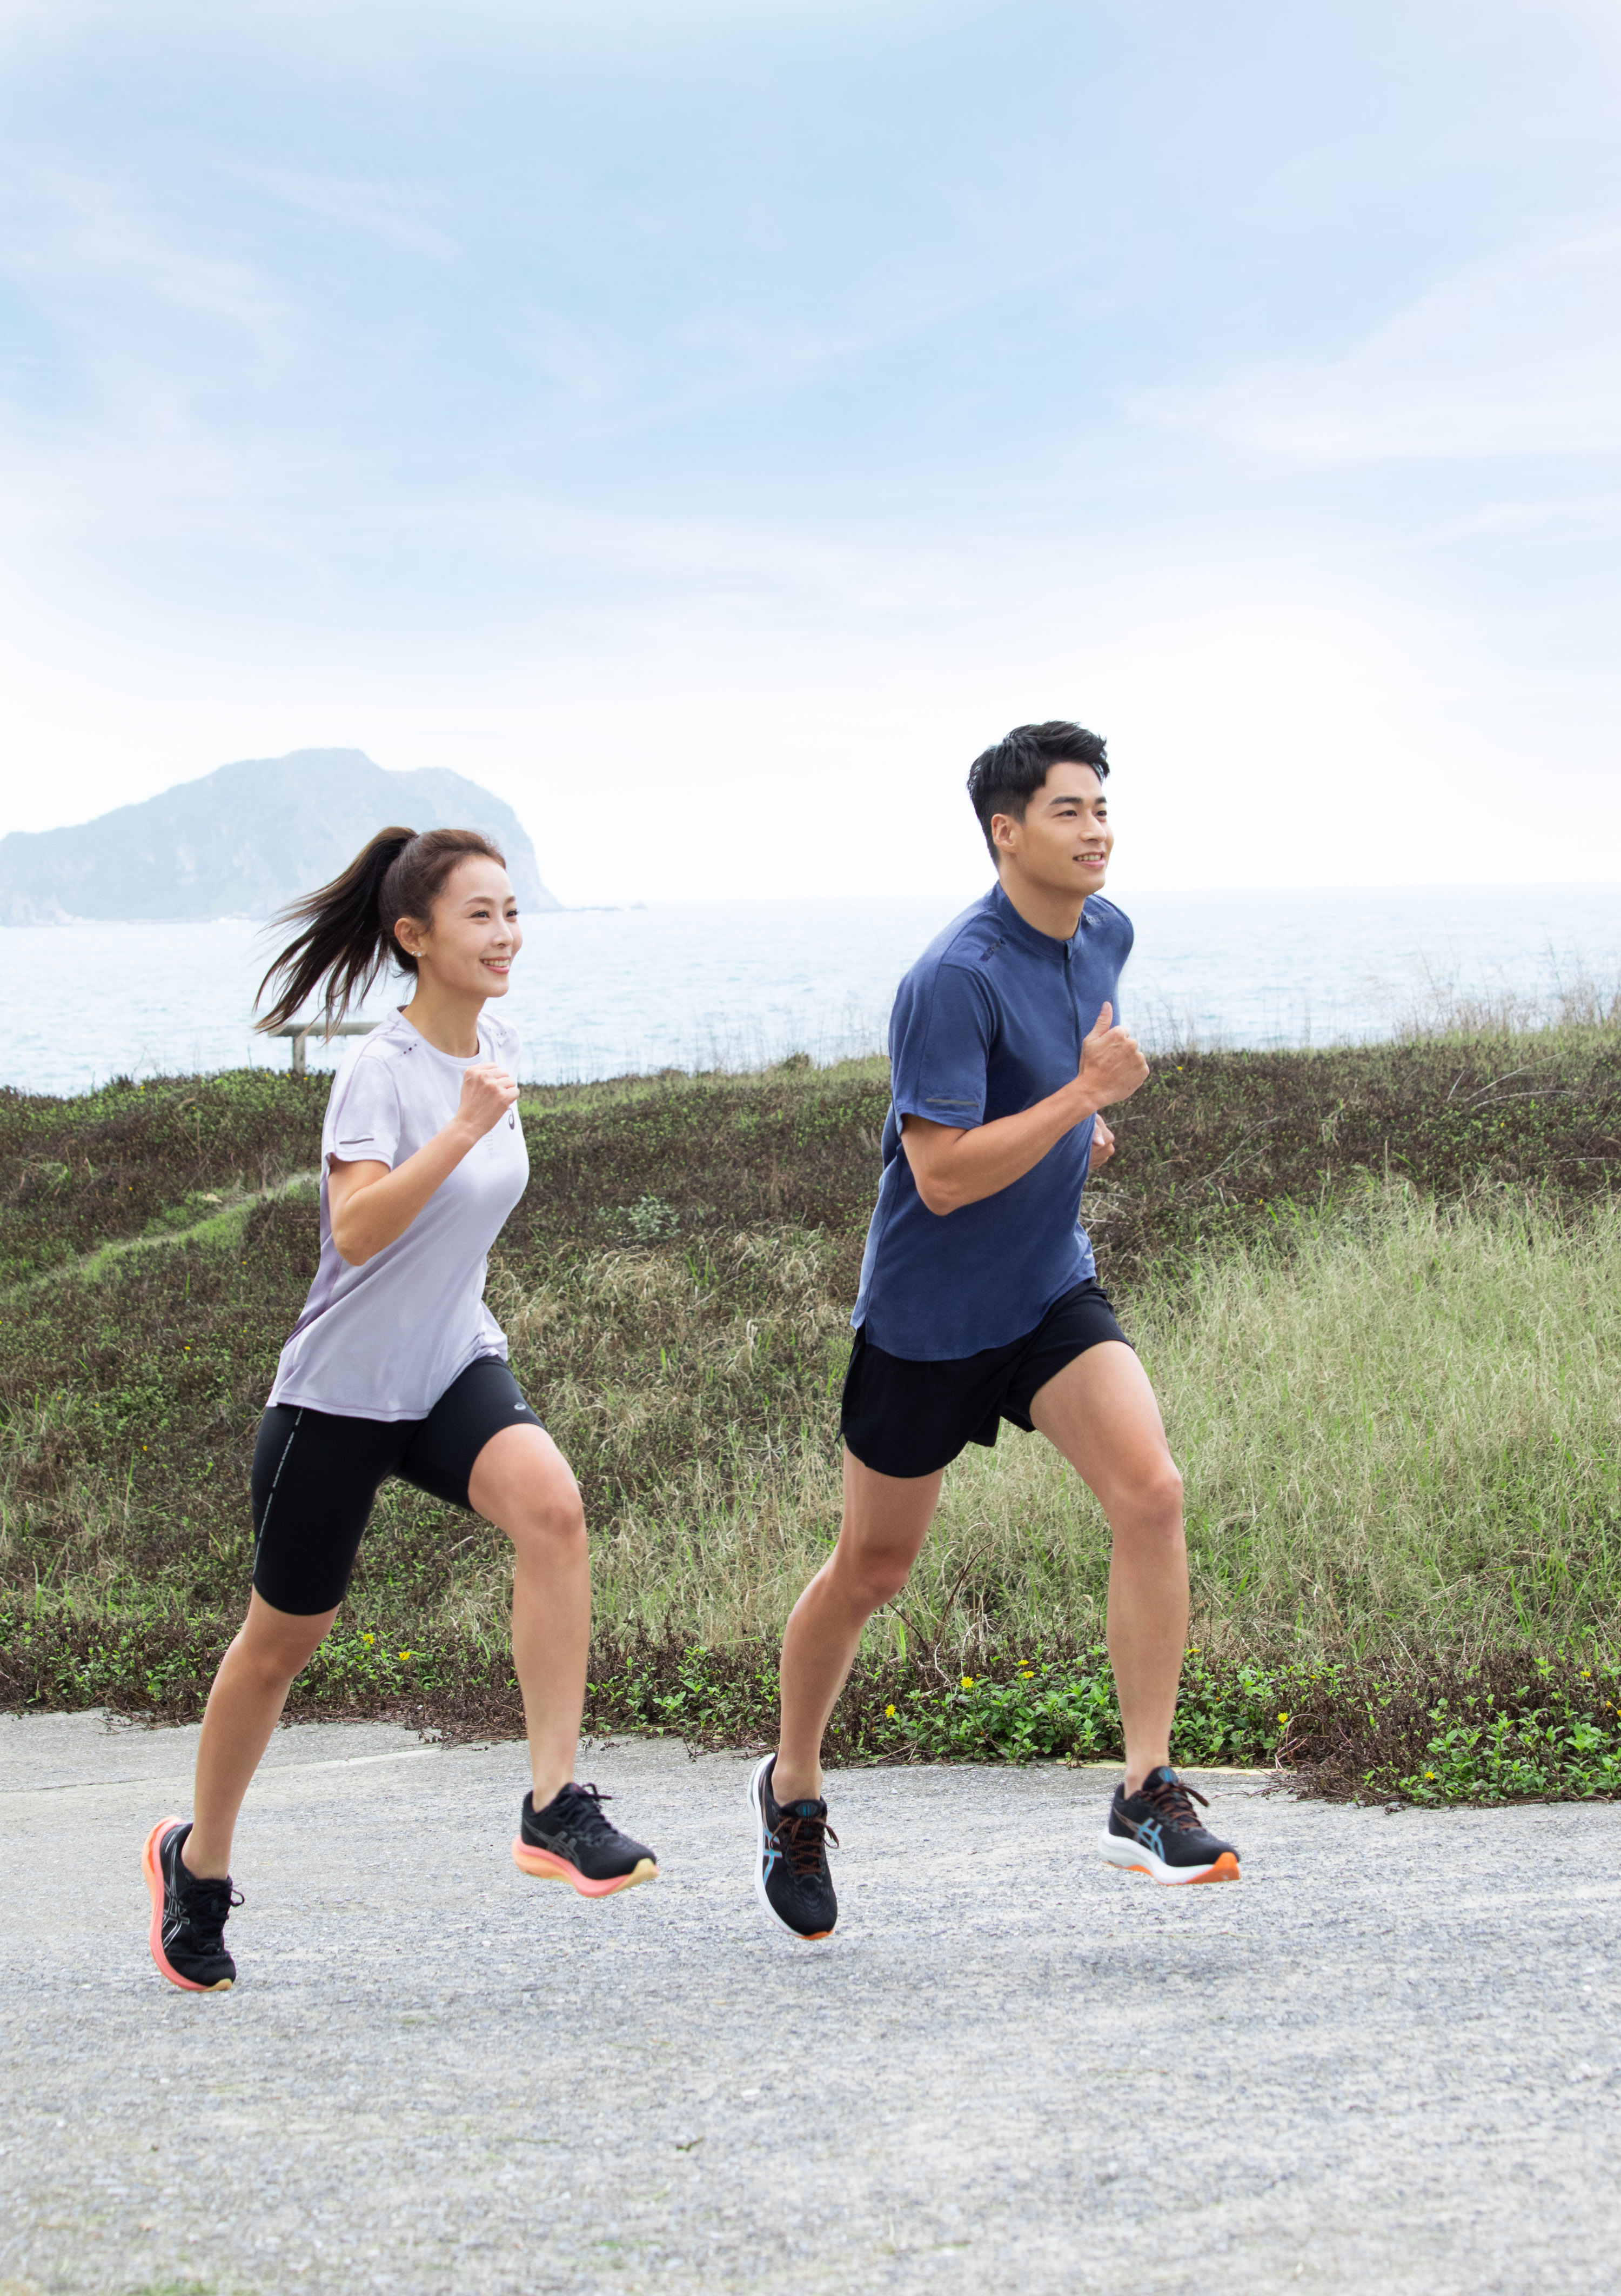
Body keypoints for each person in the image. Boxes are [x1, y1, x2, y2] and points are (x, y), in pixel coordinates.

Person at [144, 826, 657, 1993]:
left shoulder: (501, 1044)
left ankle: (552, 1803)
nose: (507, 934)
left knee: (555, 1511)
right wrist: (466, 1128)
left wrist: (480, 1124)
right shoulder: (381, 1070)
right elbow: (360, 1233)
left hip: (446, 1370)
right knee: (280, 1647)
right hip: (337, 1396)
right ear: (415, 938)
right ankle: (199, 1865)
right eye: (481, 916)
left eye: (513, 911)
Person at [750, 722, 1239, 1940]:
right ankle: (792, 1785)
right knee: (874, 1569)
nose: (1098, 830)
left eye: (1104, 808)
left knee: (1152, 1494)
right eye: (1069, 812)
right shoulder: (950, 977)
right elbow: (946, 1174)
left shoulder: (1107, 932)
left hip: (1044, 1295)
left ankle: (1144, 1789)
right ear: (1004, 832)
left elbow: (1063, 1075)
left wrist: (1082, 1126)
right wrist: (1081, 1101)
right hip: (926, 1322)